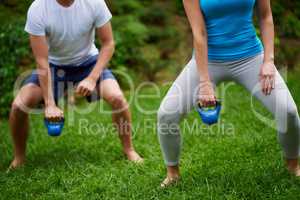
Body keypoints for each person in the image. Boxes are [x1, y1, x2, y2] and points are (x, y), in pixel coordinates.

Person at [157, 0, 300, 187]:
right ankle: (172, 174)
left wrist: (268, 60)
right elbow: (198, 33)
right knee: (166, 114)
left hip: (251, 57)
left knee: (288, 111)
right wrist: (204, 81)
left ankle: (293, 164)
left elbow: (266, 17)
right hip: (208, 61)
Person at [9, 0, 143, 169]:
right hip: (53, 66)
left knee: (118, 99)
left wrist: (92, 78)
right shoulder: (38, 8)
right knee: (18, 106)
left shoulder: (94, 2)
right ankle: (19, 157)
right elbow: (41, 60)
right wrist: (50, 104)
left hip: (88, 63)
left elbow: (108, 44)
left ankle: (129, 149)